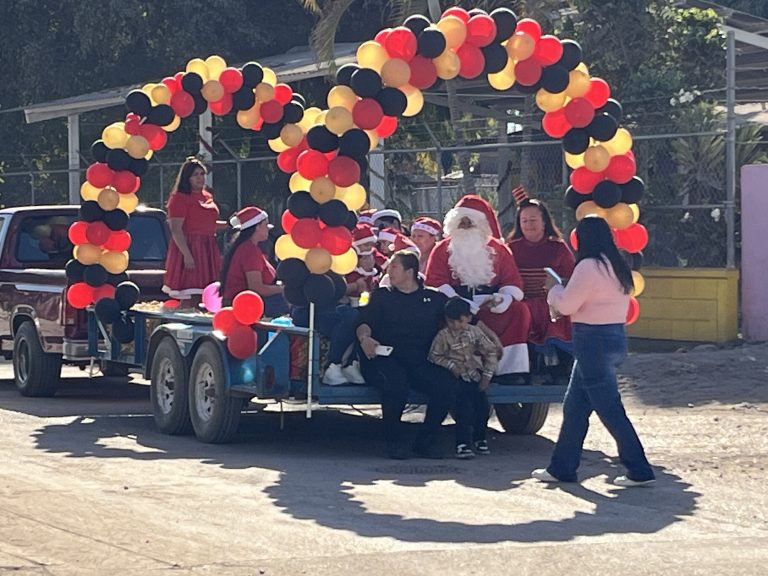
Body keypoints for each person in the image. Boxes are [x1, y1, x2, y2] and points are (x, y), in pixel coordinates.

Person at [532, 216, 655, 487]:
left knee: (609, 409)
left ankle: (639, 468)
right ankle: (562, 467)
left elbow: (566, 305)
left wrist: (554, 290)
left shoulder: (588, 266)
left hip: (592, 342)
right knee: (575, 407)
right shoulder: (617, 264)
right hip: (613, 338)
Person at [357, 250, 458, 459]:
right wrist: (365, 338)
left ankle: (425, 441)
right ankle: (393, 441)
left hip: (419, 360)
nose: (389, 271)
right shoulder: (382, 296)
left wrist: (491, 339)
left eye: (394, 267)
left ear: (409, 271)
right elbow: (363, 322)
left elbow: (463, 316)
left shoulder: (433, 298)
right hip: (384, 358)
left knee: (446, 384)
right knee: (396, 384)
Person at [425, 195, 531, 376]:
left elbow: (512, 281)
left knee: (519, 310)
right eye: (462, 222)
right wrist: (458, 302)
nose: (466, 226)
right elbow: (434, 282)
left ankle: (509, 370)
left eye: (470, 222)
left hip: (489, 305)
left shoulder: (499, 249)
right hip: (454, 306)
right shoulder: (442, 249)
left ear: (482, 224)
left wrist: (503, 299)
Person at [508, 197, 576, 376]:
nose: (529, 225)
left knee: (559, 315)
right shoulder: (511, 248)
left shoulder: (558, 247)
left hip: (553, 302)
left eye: (533, 220)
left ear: (544, 221)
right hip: (522, 301)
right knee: (520, 313)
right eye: (524, 221)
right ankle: (523, 367)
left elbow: (572, 278)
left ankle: (560, 367)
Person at [429, 297, 502, 459]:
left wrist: (487, 376)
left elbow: (491, 351)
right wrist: (451, 366)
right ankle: (462, 444)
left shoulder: (475, 332)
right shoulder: (443, 336)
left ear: (469, 318)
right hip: (456, 379)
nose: (456, 326)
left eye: (460, 321)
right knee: (464, 410)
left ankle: (480, 439)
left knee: (483, 408)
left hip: (475, 376)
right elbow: (434, 356)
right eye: (451, 322)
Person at [162, 157, 223, 307]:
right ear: (187, 178)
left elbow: (208, 225)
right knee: (191, 294)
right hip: (189, 248)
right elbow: (176, 229)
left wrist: (232, 224)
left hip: (208, 247)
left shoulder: (207, 196)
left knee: (206, 293)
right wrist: (187, 255)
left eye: (202, 174)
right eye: (195, 175)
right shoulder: (179, 198)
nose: (200, 178)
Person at [219, 206, 288, 318]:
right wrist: (283, 289)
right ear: (257, 227)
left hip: (241, 303)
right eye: (265, 224)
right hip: (244, 306)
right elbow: (256, 288)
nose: (268, 228)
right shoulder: (249, 250)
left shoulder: (247, 247)